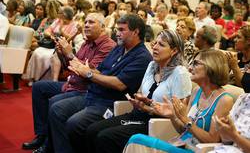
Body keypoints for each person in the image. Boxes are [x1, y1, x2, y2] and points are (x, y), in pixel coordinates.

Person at [42, 14, 152, 153]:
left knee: (74, 124)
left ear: (136, 32)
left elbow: (119, 84)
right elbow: (101, 71)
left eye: (122, 30)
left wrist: (88, 73)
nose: (117, 33)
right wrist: (88, 70)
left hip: (111, 103)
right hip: (93, 95)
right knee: (57, 109)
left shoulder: (142, 57)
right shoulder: (119, 48)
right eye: (117, 29)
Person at [86, 30, 192, 153]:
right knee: (92, 130)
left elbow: (179, 114)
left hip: (156, 123)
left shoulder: (179, 73)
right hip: (138, 114)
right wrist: (139, 101)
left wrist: (148, 108)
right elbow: (141, 93)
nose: (155, 47)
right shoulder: (152, 65)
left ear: (174, 51)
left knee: (105, 137)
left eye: (161, 45)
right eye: (155, 43)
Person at [22, 12, 116, 151]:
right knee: (38, 87)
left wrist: (69, 53)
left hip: (85, 90)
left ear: (102, 27)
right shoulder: (87, 42)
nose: (86, 25)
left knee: (55, 104)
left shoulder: (107, 46)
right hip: (72, 84)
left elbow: (87, 72)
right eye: (86, 22)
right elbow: (70, 67)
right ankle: (42, 135)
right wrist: (62, 54)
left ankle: (50, 145)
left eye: (91, 22)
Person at [123, 49, 234, 153]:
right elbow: (183, 130)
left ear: (212, 66)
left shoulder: (225, 100)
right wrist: (173, 116)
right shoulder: (196, 91)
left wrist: (185, 119)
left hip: (197, 150)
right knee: (136, 140)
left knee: (137, 139)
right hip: (181, 144)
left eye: (195, 63)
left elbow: (212, 140)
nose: (190, 68)